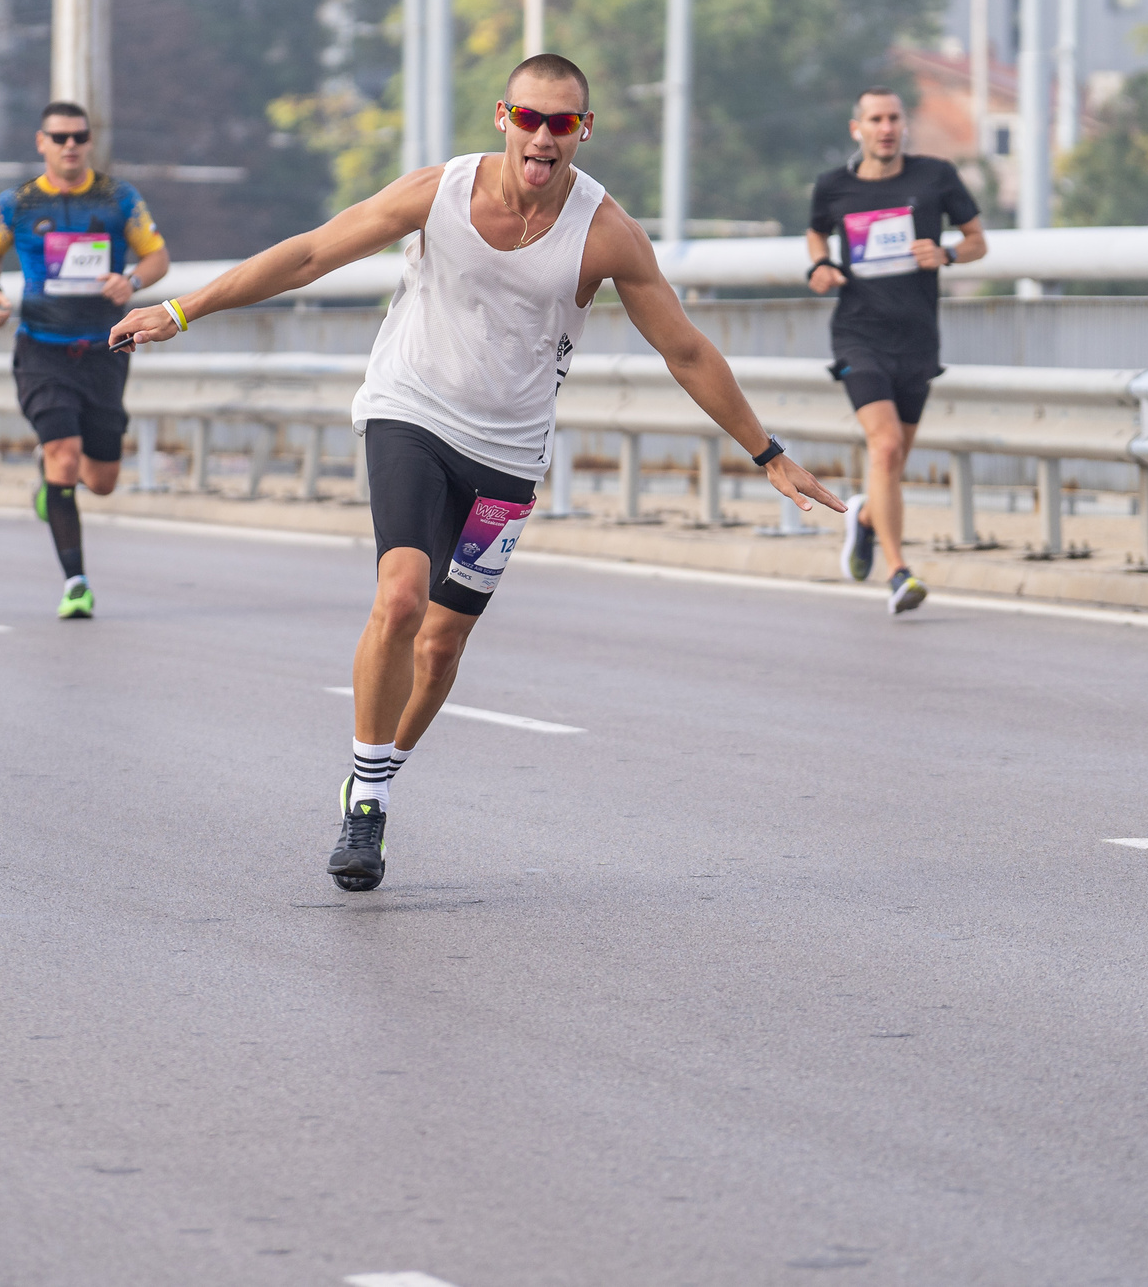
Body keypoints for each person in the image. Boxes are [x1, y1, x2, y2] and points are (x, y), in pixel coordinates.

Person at [113, 54, 841, 892]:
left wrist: (767, 452)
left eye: (560, 123)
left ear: (584, 130)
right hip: (412, 411)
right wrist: (182, 309)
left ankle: (377, 775)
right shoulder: (439, 192)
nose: (542, 137)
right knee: (400, 597)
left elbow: (684, 349)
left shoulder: (605, 232)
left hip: (508, 454)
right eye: (528, 118)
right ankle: (367, 803)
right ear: (503, 117)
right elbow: (311, 254)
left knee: (442, 642)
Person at [0, 101, 168, 617]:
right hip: (42, 348)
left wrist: (132, 280)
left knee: (101, 481)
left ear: (89, 141)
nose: (70, 146)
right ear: (41, 142)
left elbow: (157, 256)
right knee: (64, 453)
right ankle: (76, 583)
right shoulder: (17, 202)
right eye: (59, 137)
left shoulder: (119, 198)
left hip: (106, 348)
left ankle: (51, 481)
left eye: (79, 136)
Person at [804, 87, 986, 614]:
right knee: (883, 449)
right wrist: (820, 266)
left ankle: (865, 518)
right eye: (875, 119)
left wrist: (947, 254)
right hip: (859, 334)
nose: (886, 128)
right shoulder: (833, 186)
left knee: (895, 459)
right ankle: (898, 572)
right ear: (857, 128)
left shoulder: (936, 177)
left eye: (894, 119)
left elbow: (977, 241)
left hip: (917, 339)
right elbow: (816, 233)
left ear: (905, 126)